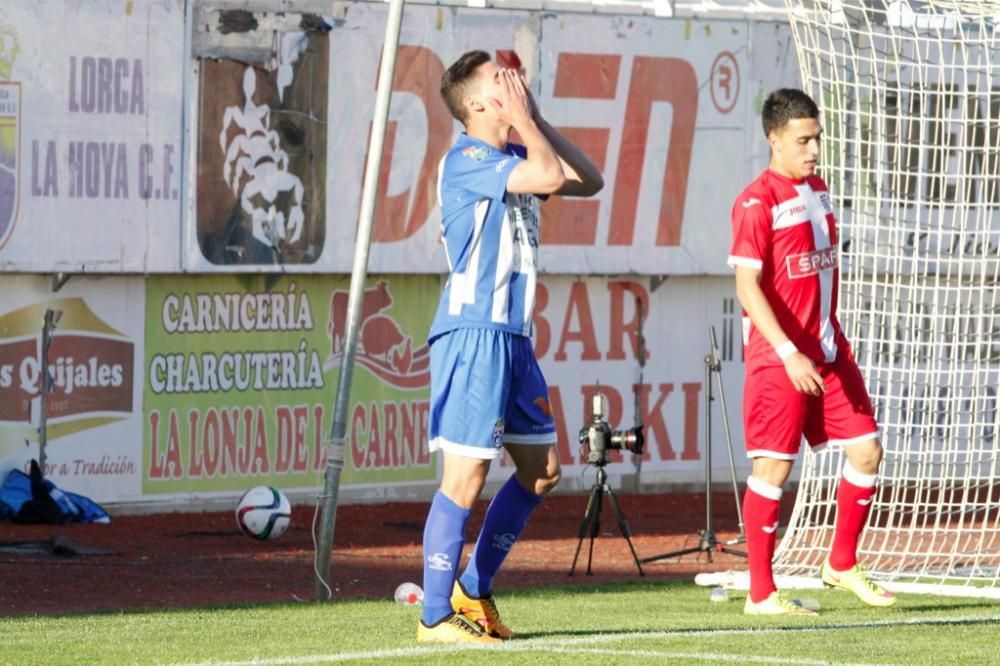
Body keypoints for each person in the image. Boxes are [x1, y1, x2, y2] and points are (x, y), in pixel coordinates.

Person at [416, 51, 604, 644]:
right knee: (465, 478)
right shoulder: (468, 159)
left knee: (542, 471)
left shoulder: (517, 154)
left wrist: (536, 120)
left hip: (514, 339)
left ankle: (474, 589)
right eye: (501, 82)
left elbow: (589, 181)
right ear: (475, 104)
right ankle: (434, 617)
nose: (514, 84)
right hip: (475, 333)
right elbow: (551, 179)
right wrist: (524, 122)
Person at [728, 88, 897, 616]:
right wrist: (786, 351)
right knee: (774, 470)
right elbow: (746, 286)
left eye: (817, 138)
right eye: (803, 140)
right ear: (773, 139)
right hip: (781, 358)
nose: (814, 149)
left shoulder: (819, 190)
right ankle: (762, 595)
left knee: (867, 449)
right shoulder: (757, 201)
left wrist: (817, 344)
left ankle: (841, 564)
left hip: (827, 349)